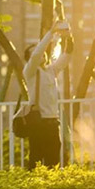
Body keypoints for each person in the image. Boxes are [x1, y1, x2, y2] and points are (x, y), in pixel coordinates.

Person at [22, 21, 73, 168]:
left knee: (54, 161)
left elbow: (67, 55)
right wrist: (51, 33)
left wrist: (68, 36)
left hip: (53, 123)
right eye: (34, 53)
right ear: (29, 58)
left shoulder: (51, 71)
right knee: (36, 161)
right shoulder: (30, 71)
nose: (41, 54)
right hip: (38, 123)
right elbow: (37, 54)